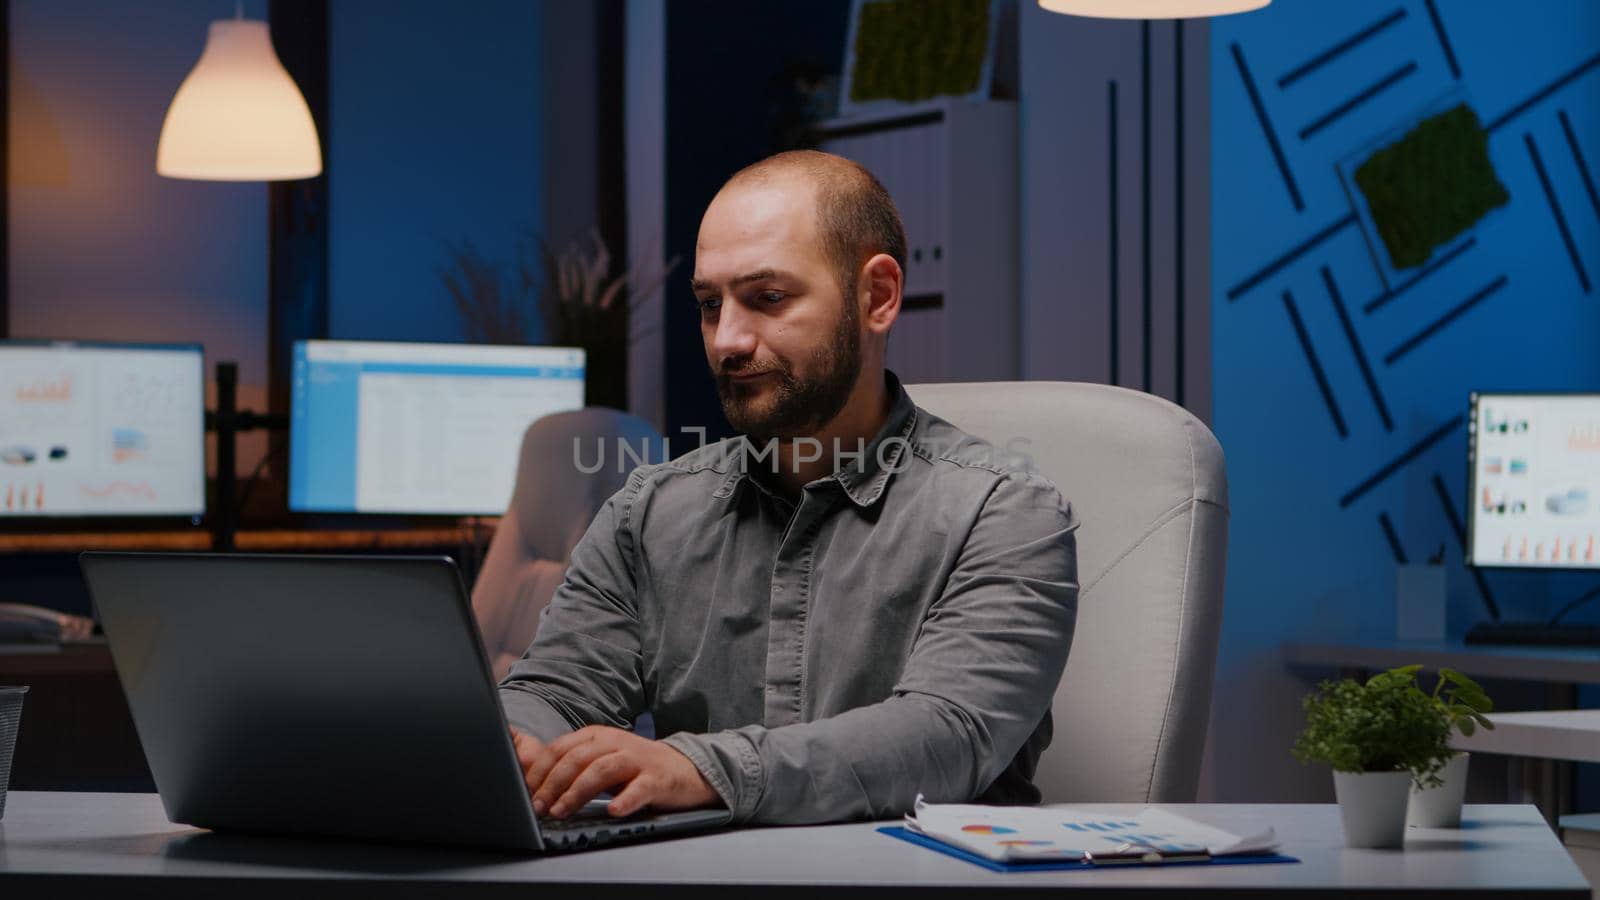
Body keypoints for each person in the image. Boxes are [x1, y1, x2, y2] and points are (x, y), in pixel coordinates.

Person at [499, 149, 1078, 826]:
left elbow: (946, 737)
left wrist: (700, 767)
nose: (727, 341)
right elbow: (555, 692)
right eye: (710, 305)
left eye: (768, 298)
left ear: (878, 296)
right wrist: (512, 743)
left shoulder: (1004, 512)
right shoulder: (646, 512)